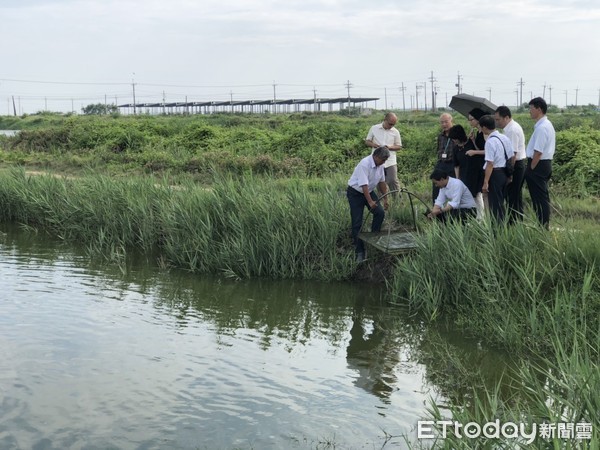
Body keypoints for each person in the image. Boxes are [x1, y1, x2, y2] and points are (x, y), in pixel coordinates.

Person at [347, 146, 390, 262]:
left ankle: (373, 239)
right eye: (382, 160)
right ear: (375, 156)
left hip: (369, 191)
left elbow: (382, 183)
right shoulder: (364, 164)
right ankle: (359, 251)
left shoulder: (380, 165)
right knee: (357, 222)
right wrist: (370, 201)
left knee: (380, 213)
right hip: (356, 193)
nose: (384, 162)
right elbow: (363, 185)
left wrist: (385, 199)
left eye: (385, 160)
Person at [524, 97, 555, 229]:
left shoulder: (542, 127)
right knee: (540, 197)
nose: (529, 111)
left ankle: (543, 227)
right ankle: (542, 225)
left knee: (539, 199)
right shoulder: (544, 125)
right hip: (543, 164)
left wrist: (531, 167)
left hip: (538, 164)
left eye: (531, 108)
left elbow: (538, 152)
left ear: (539, 109)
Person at [479, 114, 515, 223]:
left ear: (485, 127)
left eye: (481, 127)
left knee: (495, 205)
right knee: (500, 203)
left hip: (494, 174)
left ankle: (497, 231)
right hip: (504, 173)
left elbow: (490, 163)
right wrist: (510, 175)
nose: (480, 129)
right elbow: (512, 157)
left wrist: (485, 182)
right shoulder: (504, 137)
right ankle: (503, 228)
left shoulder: (490, 142)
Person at [495, 106, 526, 223]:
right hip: (515, 165)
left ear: (506, 117)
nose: (496, 122)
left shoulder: (512, 130)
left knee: (513, 197)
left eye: (498, 120)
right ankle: (517, 221)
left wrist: (509, 173)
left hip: (515, 165)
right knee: (514, 196)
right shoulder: (508, 128)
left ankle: (514, 223)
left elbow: (512, 154)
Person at [449, 124, 485, 219]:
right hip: (464, 175)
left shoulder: (471, 143)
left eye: (455, 138)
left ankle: (481, 218)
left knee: (477, 195)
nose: (454, 141)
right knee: (466, 196)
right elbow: (456, 165)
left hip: (476, 174)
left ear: (459, 136)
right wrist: (457, 179)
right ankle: (468, 217)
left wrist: (473, 141)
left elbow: (481, 152)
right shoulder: (456, 148)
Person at [365, 112, 402, 194]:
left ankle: (397, 200)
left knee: (392, 180)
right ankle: (382, 201)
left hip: (390, 160)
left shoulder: (395, 132)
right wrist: (375, 145)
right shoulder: (374, 128)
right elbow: (367, 141)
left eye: (393, 124)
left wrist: (389, 147)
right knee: (379, 181)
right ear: (385, 120)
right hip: (377, 160)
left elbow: (399, 146)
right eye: (390, 124)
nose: (391, 126)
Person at [432, 113, 455, 204]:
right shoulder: (440, 136)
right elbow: (439, 149)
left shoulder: (456, 134)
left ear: (451, 121)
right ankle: (436, 209)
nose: (444, 124)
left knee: (452, 187)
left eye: (446, 122)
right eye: (442, 122)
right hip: (441, 163)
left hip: (452, 164)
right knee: (436, 185)